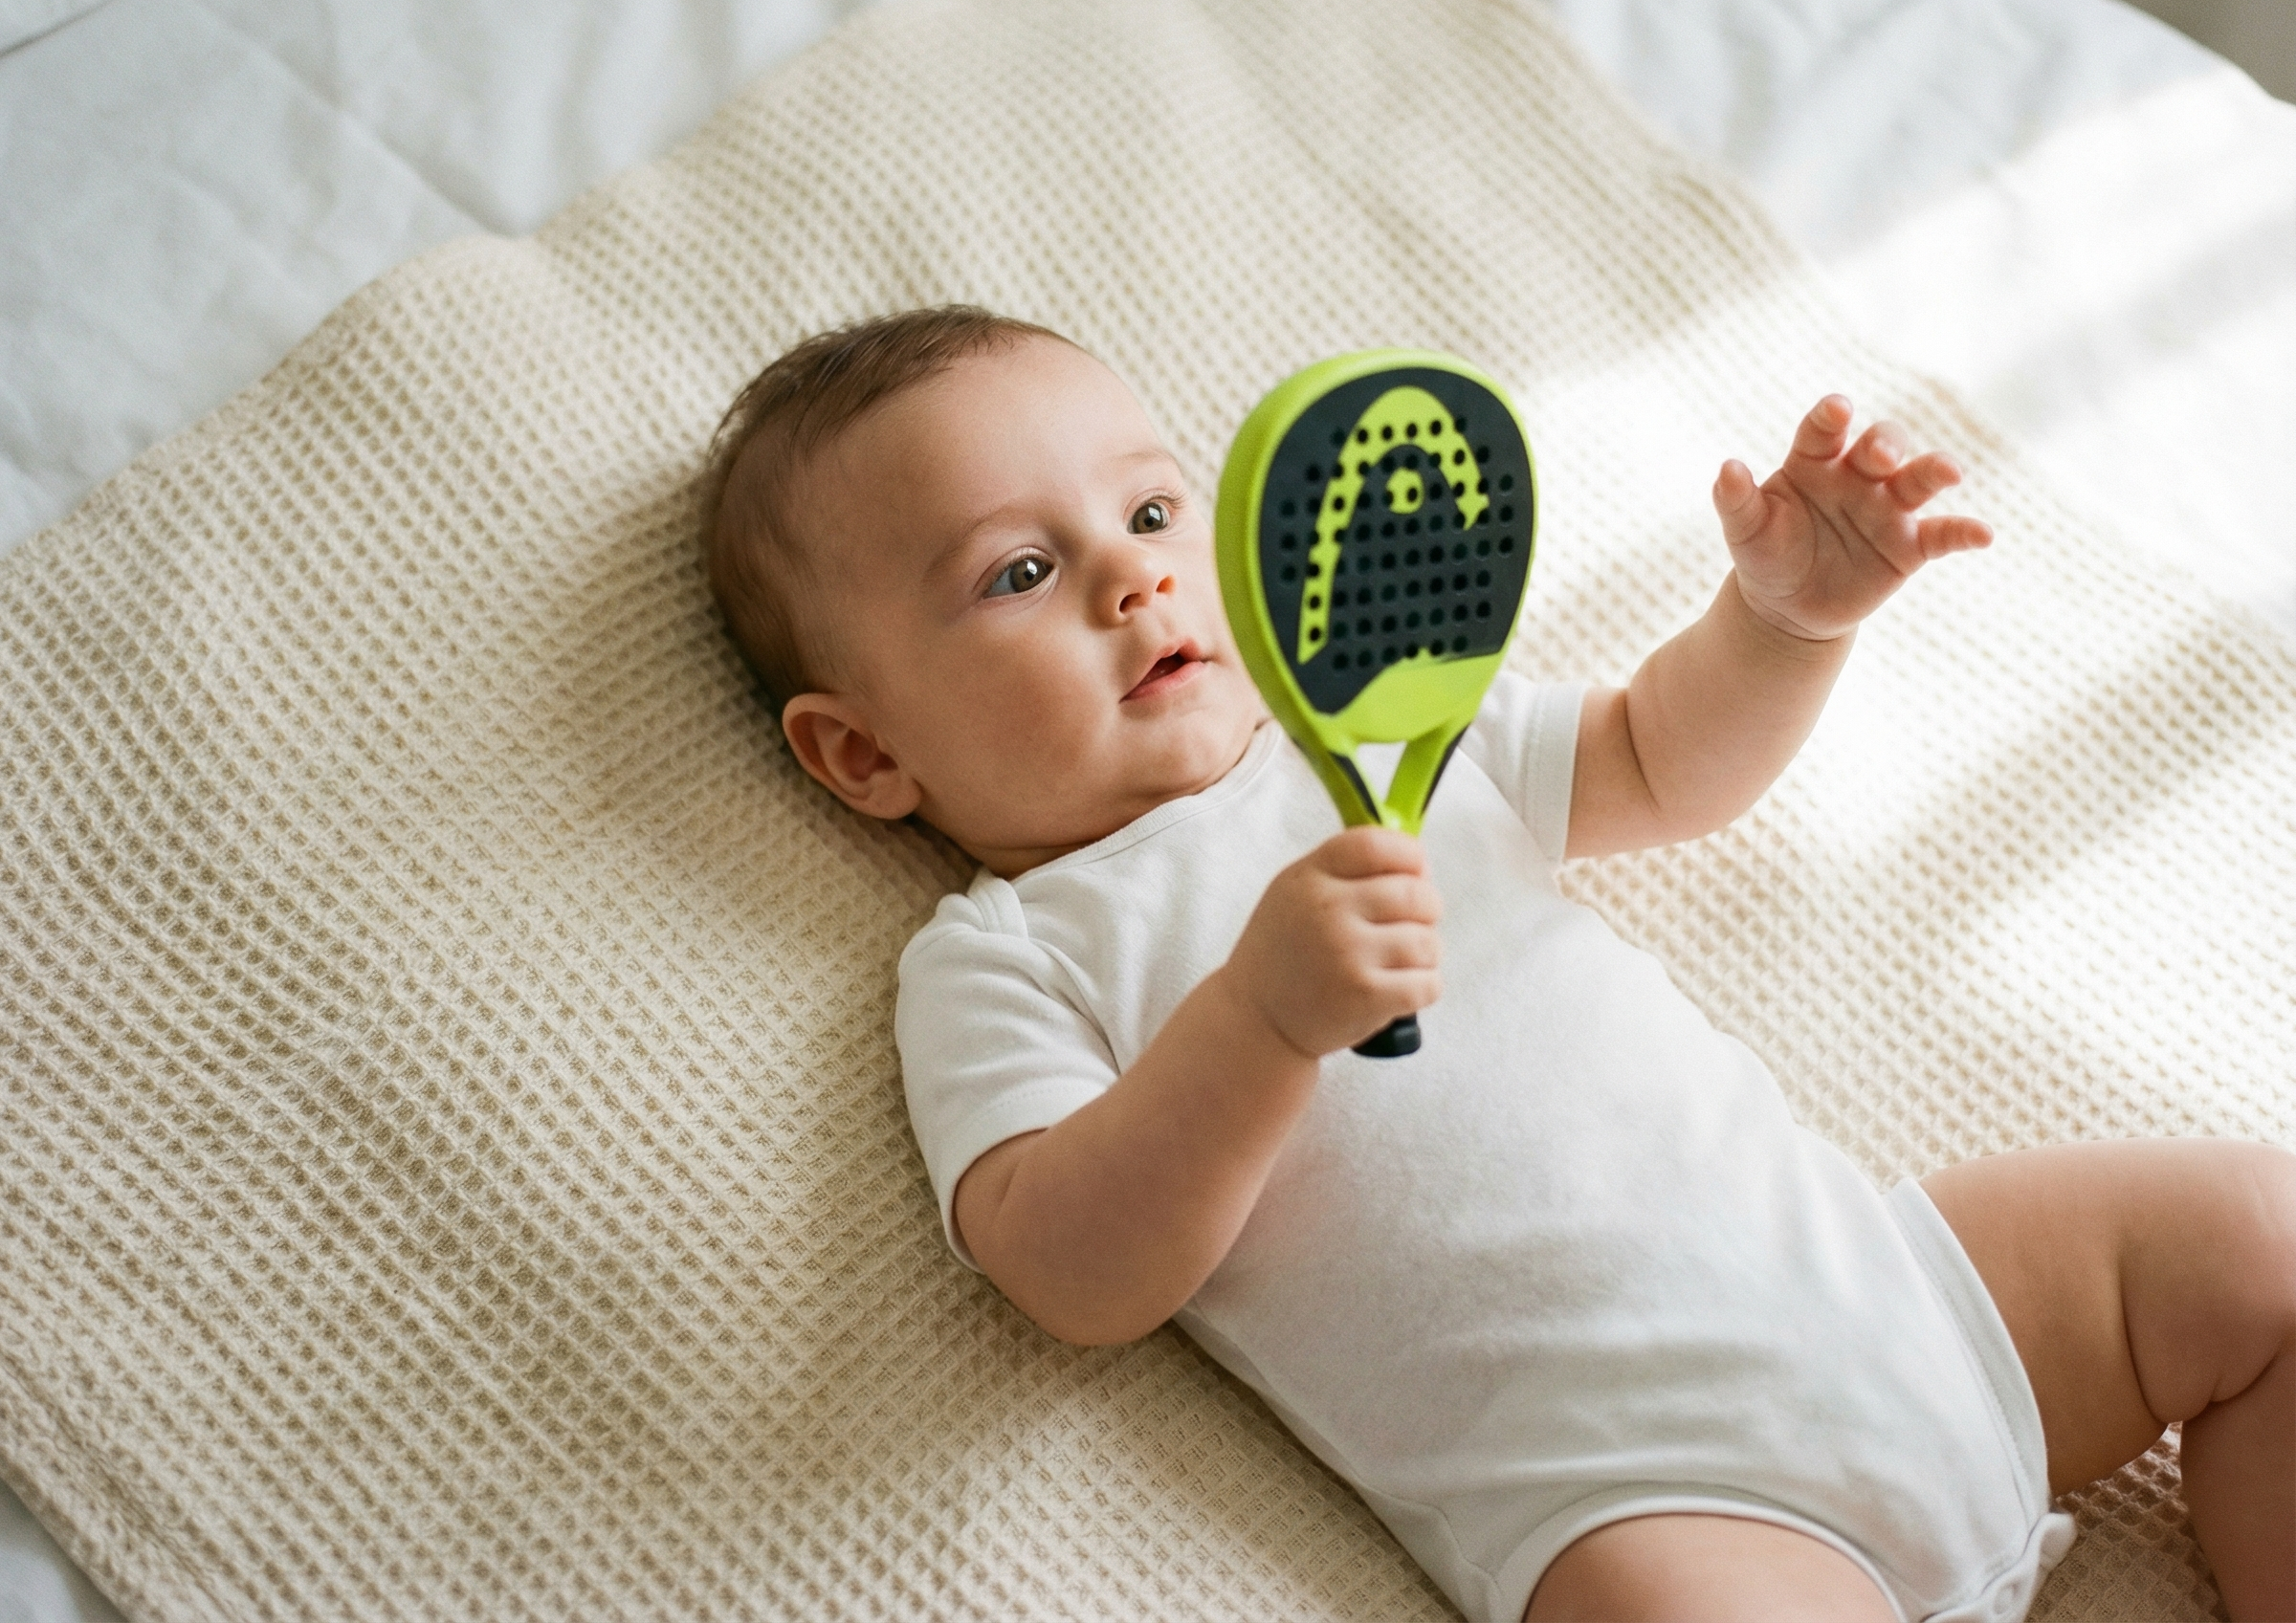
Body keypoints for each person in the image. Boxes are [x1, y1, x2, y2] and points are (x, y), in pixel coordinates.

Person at [699, 305, 2294, 1623]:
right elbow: (1071, 1268)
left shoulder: (1389, 720)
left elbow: (1663, 761)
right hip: (1651, 1500)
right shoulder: (1005, 958)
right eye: (1017, 574)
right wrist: (1257, 1021)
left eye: (1150, 510)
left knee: (2259, 1237)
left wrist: (1785, 627)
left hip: (1901, 1293)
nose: (1134, 578)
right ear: (861, 756)